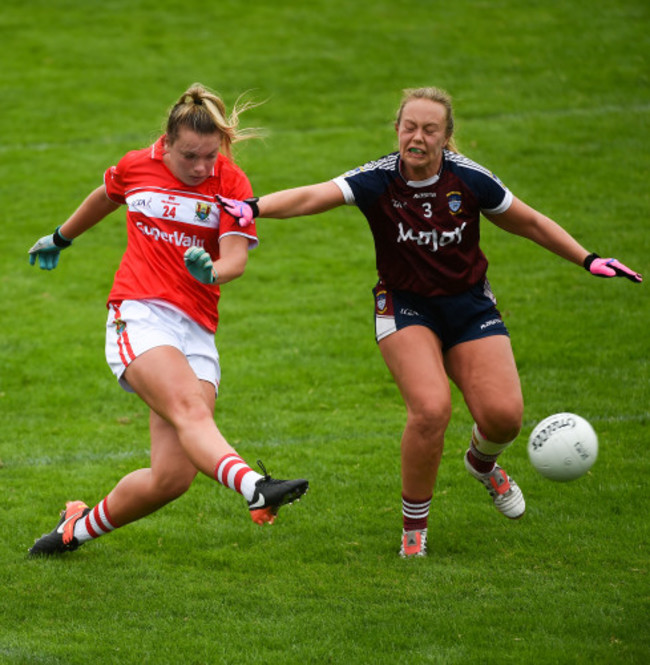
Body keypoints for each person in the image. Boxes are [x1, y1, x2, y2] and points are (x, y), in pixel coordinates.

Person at [211, 86, 642, 558]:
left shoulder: (470, 179)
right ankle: (414, 533)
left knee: (504, 417)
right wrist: (255, 207)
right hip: (404, 305)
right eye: (409, 127)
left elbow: (530, 222)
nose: (417, 137)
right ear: (397, 129)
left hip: (469, 306)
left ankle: (482, 464)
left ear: (446, 137)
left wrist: (589, 259)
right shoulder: (379, 178)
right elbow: (318, 194)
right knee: (432, 409)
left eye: (429, 129)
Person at [27, 83, 308, 557]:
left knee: (172, 478)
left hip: (196, 328)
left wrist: (211, 270)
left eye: (210, 157)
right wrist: (60, 237)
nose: (202, 168)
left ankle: (74, 529)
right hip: (138, 313)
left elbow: (235, 260)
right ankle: (255, 487)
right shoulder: (139, 164)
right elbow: (105, 194)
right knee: (189, 411)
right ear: (167, 144)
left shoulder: (231, 181)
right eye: (190, 157)